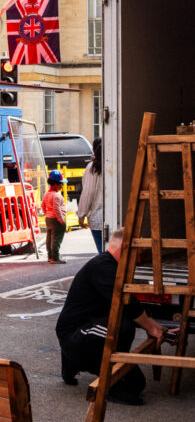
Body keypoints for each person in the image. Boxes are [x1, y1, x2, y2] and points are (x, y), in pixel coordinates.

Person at [56, 227, 167, 404]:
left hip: (87, 327)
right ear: (125, 248)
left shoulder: (114, 267)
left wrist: (155, 327)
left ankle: (77, 363)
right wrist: (152, 328)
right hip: (74, 334)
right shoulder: (102, 266)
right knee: (122, 329)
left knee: (135, 381)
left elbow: (133, 304)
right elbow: (127, 302)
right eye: (138, 252)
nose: (139, 259)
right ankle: (106, 382)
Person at [78, 137, 103, 253]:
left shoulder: (92, 167)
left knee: (102, 252)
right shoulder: (115, 163)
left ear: (94, 149)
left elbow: (88, 192)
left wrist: (81, 214)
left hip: (97, 217)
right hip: (116, 218)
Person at [41, 169, 67, 264]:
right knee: (56, 239)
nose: (62, 185)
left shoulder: (46, 194)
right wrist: (61, 220)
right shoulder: (57, 196)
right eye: (61, 183)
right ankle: (55, 257)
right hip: (56, 220)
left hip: (48, 218)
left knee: (49, 238)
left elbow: (43, 205)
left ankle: (50, 256)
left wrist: (46, 213)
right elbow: (57, 209)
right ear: (56, 184)